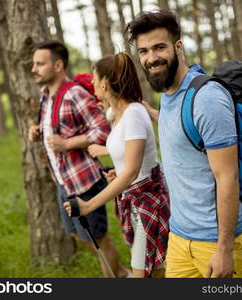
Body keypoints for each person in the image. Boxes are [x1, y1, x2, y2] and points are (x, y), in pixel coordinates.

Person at [125, 11, 242, 278]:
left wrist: (224, 249)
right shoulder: (168, 93)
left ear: (178, 46)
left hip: (220, 241)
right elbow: (181, 131)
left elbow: (227, 176)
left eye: (159, 47)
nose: (151, 58)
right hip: (179, 237)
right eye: (143, 51)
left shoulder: (206, 98)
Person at [64, 52, 170, 278]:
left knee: (147, 273)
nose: (91, 83)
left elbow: (132, 172)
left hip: (148, 201)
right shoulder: (117, 114)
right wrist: (117, 171)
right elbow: (128, 162)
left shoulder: (132, 114)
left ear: (104, 82)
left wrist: (88, 205)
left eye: (94, 78)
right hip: (132, 199)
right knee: (153, 271)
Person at [28, 40, 128, 278]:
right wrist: (37, 131)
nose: (34, 69)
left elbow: (102, 130)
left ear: (58, 65)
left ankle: (117, 278)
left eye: (40, 64)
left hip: (84, 181)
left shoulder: (74, 94)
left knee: (98, 241)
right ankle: (122, 273)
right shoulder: (45, 96)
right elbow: (58, 126)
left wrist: (68, 143)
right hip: (63, 182)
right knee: (76, 234)